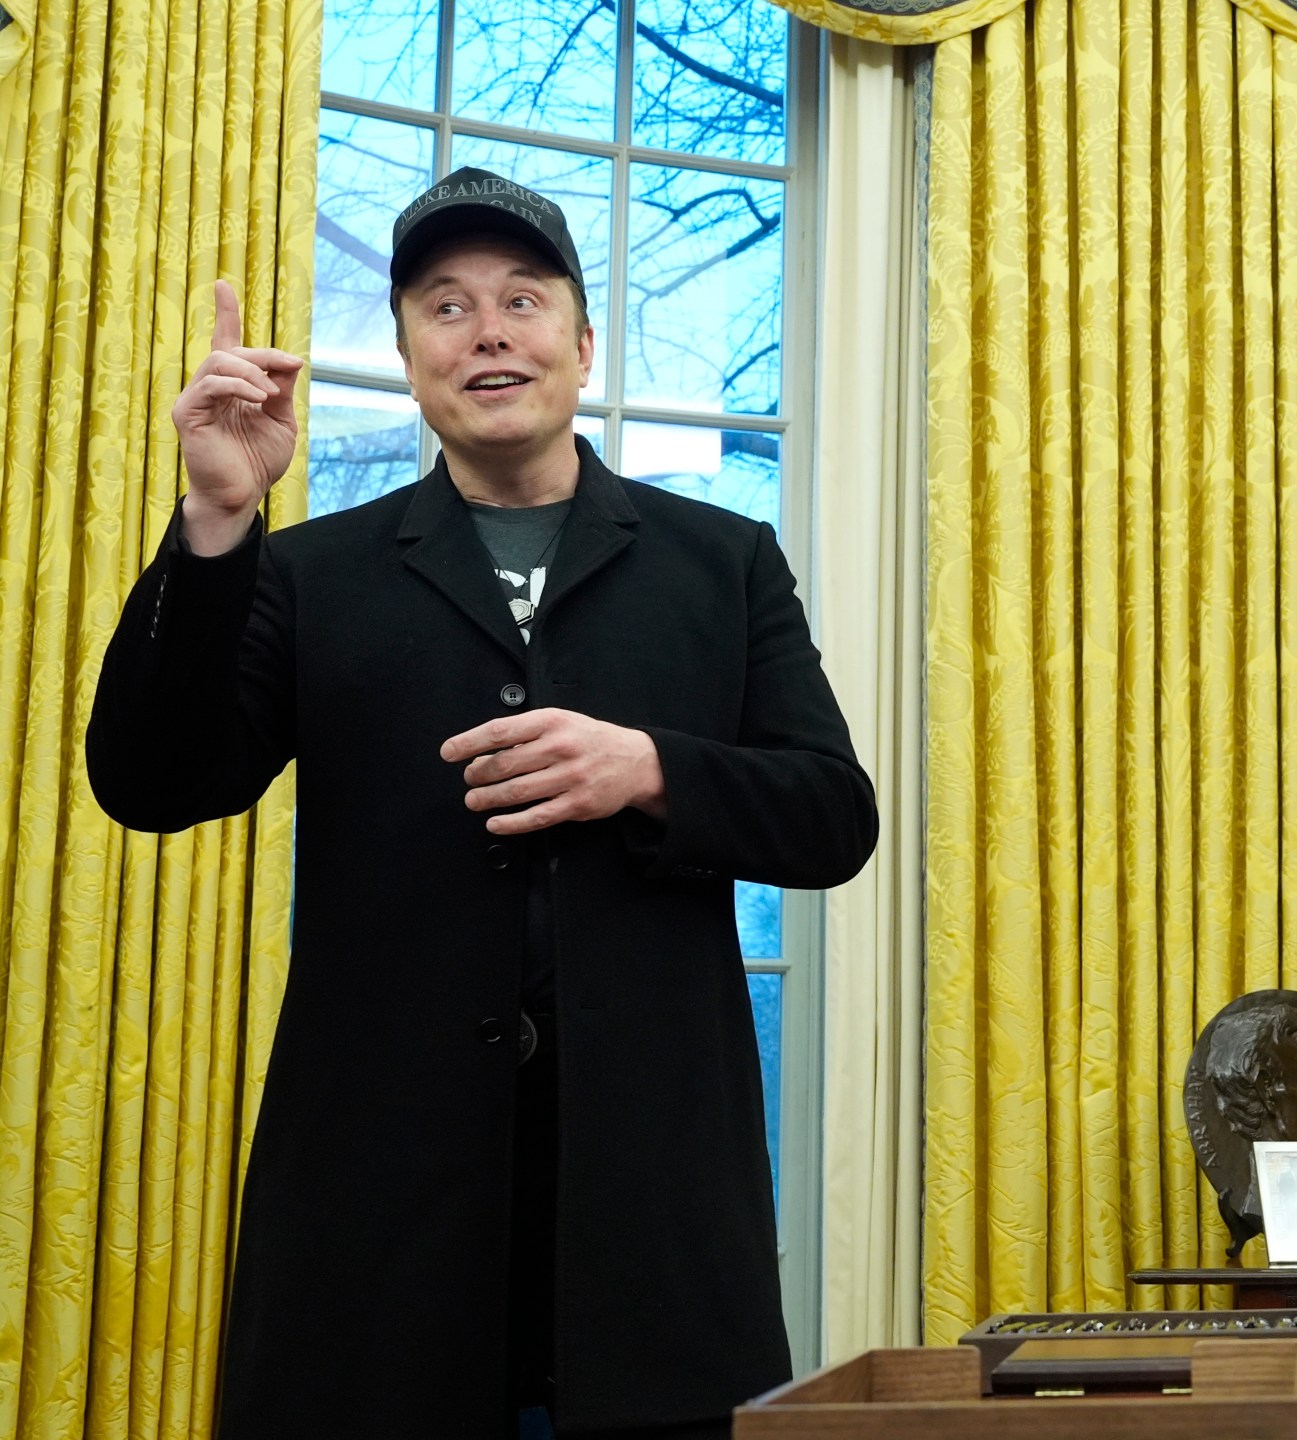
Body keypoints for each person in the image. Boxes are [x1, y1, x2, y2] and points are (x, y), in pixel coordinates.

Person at [86, 168, 877, 1437]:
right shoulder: (310, 570)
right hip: (379, 1227)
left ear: (581, 340)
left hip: (652, 1221)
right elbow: (151, 784)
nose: (489, 330)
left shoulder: (721, 560)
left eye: (523, 299)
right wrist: (218, 517)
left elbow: (835, 816)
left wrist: (655, 770)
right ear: (406, 357)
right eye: (445, 308)